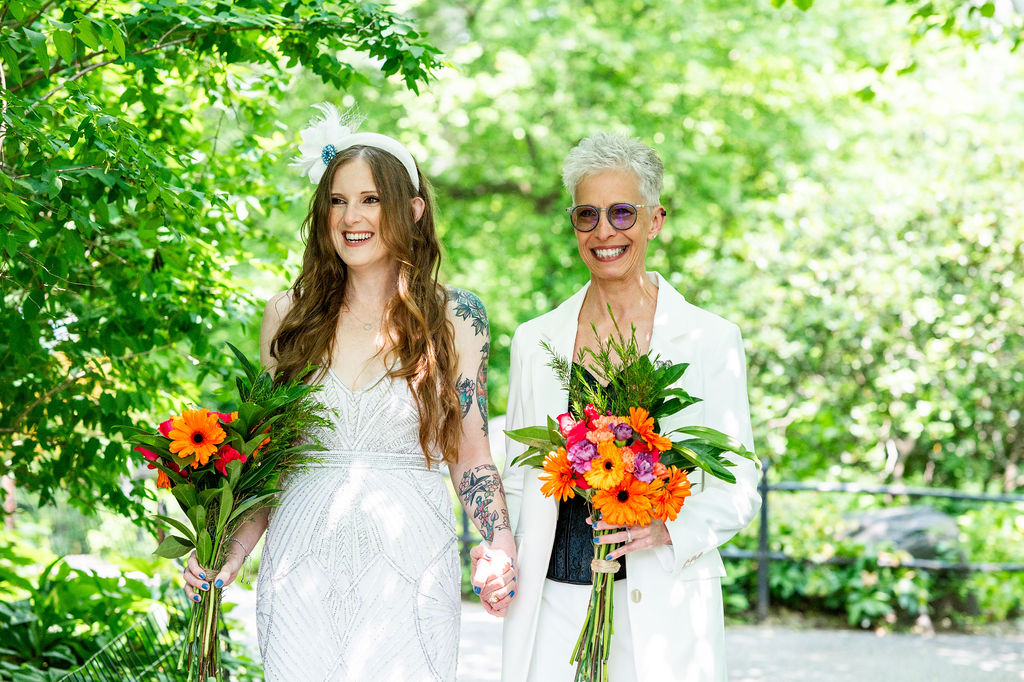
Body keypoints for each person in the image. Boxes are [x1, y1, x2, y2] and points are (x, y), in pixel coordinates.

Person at [181, 104, 517, 681]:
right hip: (301, 561)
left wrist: (499, 547)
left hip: (411, 559)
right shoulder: (287, 316)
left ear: (411, 209)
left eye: (370, 199)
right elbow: (269, 462)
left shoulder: (456, 316)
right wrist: (226, 552)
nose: (351, 217)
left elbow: (471, 453)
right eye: (337, 200)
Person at [488, 132, 761, 681]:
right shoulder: (534, 341)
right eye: (586, 215)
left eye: (621, 213)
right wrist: (499, 554)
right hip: (554, 608)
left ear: (655, 220)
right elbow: (520, 479)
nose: (604, 232)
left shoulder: (710, 338)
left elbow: (739, 483)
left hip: (666, 602)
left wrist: (669, 529)